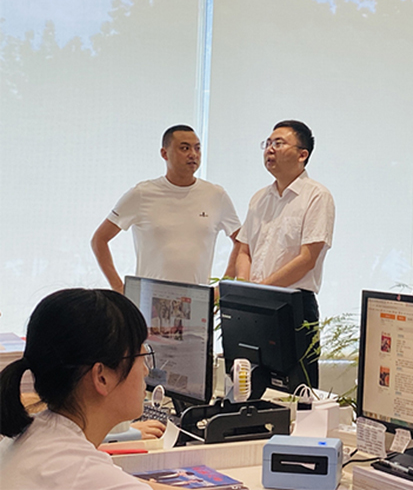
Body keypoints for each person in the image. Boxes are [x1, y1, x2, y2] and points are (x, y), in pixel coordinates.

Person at [0, 289, 171, 489]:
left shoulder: (30, 437)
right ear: (102, 377)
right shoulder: (90, 476)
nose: (145, 371)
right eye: (141, 357)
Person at [236, 120, 335, 387]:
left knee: (296, 390)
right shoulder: (259, 198)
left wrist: (259, 292)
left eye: (278, 143)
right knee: (250, 384)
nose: (270, 149)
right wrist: (244, 290)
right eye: (267, 143)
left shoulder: (317, 196)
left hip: (293, 306)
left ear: (302, 154)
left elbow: (307, 259)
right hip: (255, 304)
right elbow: (244, 250)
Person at [91, 125, 241, 292]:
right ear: (164, 153)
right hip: (149, 299)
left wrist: (223, 287)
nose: (193, 154)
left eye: (197, 148)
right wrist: (118, 288)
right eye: (185, 148)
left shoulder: (216, 195)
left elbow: (241, 241)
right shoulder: (141, 194)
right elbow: (99, 239)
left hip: (197, 300)